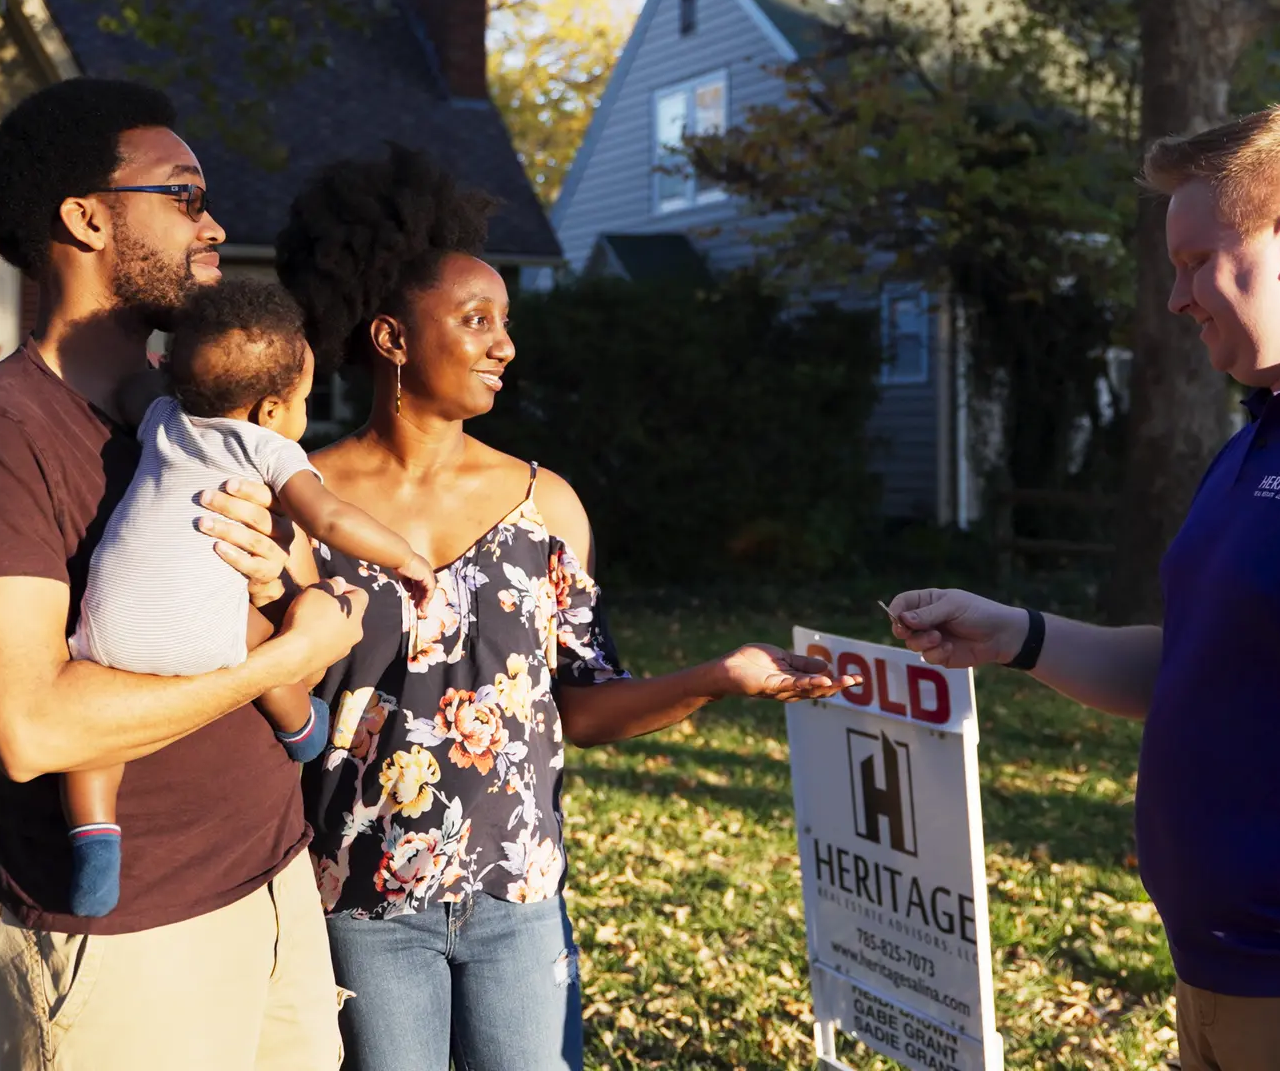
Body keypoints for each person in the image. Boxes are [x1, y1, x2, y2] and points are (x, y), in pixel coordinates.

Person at [888, 103, 1280, 1071]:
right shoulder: (1261, 438)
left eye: (1195, 262)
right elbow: (1200, 660)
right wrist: (1017, 635)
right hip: (1219, 982)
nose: (1176, 298)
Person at [274, 144, 859, 1071]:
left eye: (506, 320)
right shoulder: (302, 499)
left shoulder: (548, 508)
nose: (505, 344)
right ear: (390, 337)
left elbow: (581, 705)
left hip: (519, 901)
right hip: (357, 907)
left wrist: (721, 678)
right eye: (475, 320)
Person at [0, 78, 367, 1071]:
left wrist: (299, 597)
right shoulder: (1, 433)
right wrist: (289, 654)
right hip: (128, 944)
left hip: (273, 885)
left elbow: (284, 592)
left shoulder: (195, 406)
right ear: (84, 217)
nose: (216, 224)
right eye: (186, 195)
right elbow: (38, 730)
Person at [61, 275, 438, 917]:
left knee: (97, 743)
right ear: (269, 410)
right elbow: (331, 519)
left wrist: (170, 372)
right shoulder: (266, 446)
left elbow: (132, 385)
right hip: (206, 639)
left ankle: (94, 833)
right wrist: (405, 556)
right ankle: (298, 724)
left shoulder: (162, 417)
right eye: (304, 399)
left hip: (106, 626)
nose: (304, 414)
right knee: (260, 635)